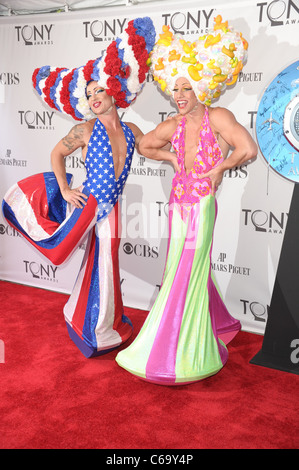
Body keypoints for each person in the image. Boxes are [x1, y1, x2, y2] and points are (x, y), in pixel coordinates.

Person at [115, 16, 258, 385]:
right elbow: (146, 144)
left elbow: (248, 149)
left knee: (186, 271)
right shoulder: (173, 125)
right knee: (179, 267)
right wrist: (172, 158)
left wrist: (220, 168)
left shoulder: (219, 117)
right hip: (178, 204)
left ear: (203, 88)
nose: (179, 95)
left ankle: (178, 349)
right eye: (175, 89)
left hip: (202, 206)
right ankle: (219, 323)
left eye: (186, 89)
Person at [2, 17, 155, 358]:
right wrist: (66, 189)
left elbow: (151, 150)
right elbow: (56, 153)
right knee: (90, 257)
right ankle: (97, 330)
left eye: (99, 90)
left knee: (106, 260)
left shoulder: (131, 130)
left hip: (112, 207)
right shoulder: (84, 130)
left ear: (114, 90)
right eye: (89, 94)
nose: (95, 97)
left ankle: (90, 316)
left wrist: (184, 156)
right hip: (88, 204)